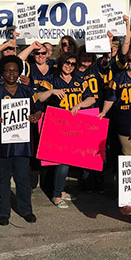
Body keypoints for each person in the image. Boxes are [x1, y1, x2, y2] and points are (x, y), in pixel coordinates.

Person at [0, 55, 43, 225]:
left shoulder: (29, 92)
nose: (11, 73)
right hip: (1, 145)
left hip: (22, 144)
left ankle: (26, 210)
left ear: (19, 72)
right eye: (8, 70)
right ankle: (3, 211)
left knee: (22, 178)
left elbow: (39, 110)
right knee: (2, 179)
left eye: (15, 70)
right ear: (2, 73)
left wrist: (35, 116)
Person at [37, 51, 96, 208]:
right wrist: (51, 91)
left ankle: (60, 190)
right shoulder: (51, 79)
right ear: (61, 63)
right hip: (57, 124)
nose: (69, 66)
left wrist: (80, 105)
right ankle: (56, 195)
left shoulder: (79, 80)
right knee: (62, 161)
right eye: (66, 63)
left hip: (75, 125)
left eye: (72, 63)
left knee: (68, 160)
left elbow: (92, 98)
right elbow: (37, 97)